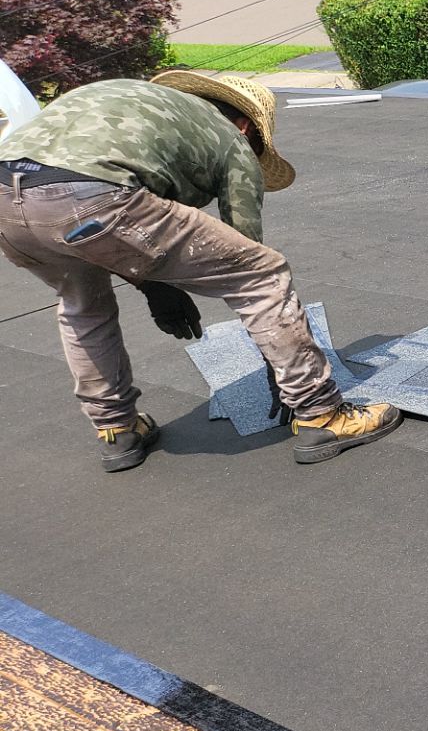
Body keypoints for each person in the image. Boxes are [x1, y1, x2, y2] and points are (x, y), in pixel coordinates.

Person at [0, 72, 404, 471]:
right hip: (91, 195)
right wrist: (278, 362)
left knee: (83, 304)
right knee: (262, 273)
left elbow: (103, 217)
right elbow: (246, 255)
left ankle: (117, 429)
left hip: (6, 196)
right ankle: (322, 414)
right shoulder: (231, 139)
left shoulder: (134, 107)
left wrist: (154, 285)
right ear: (245, 126)